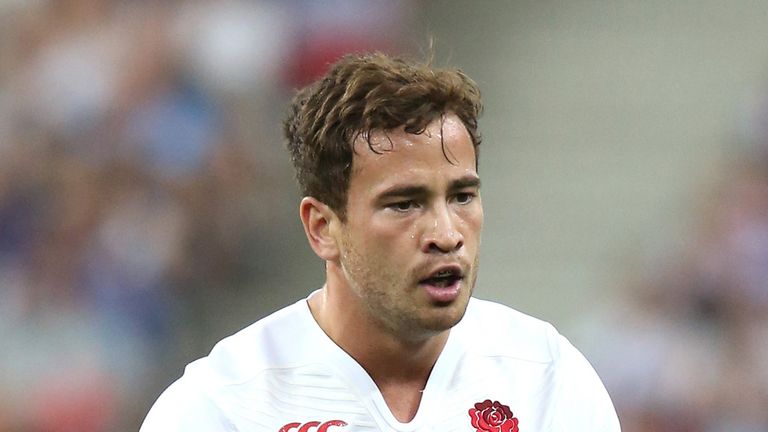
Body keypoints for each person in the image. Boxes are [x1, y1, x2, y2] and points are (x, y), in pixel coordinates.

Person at [140, 52, 621, 431]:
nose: (446, 234)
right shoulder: (220, 408)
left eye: (461, 196)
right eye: (404, 203)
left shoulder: (547, 380)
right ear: (322, 228)